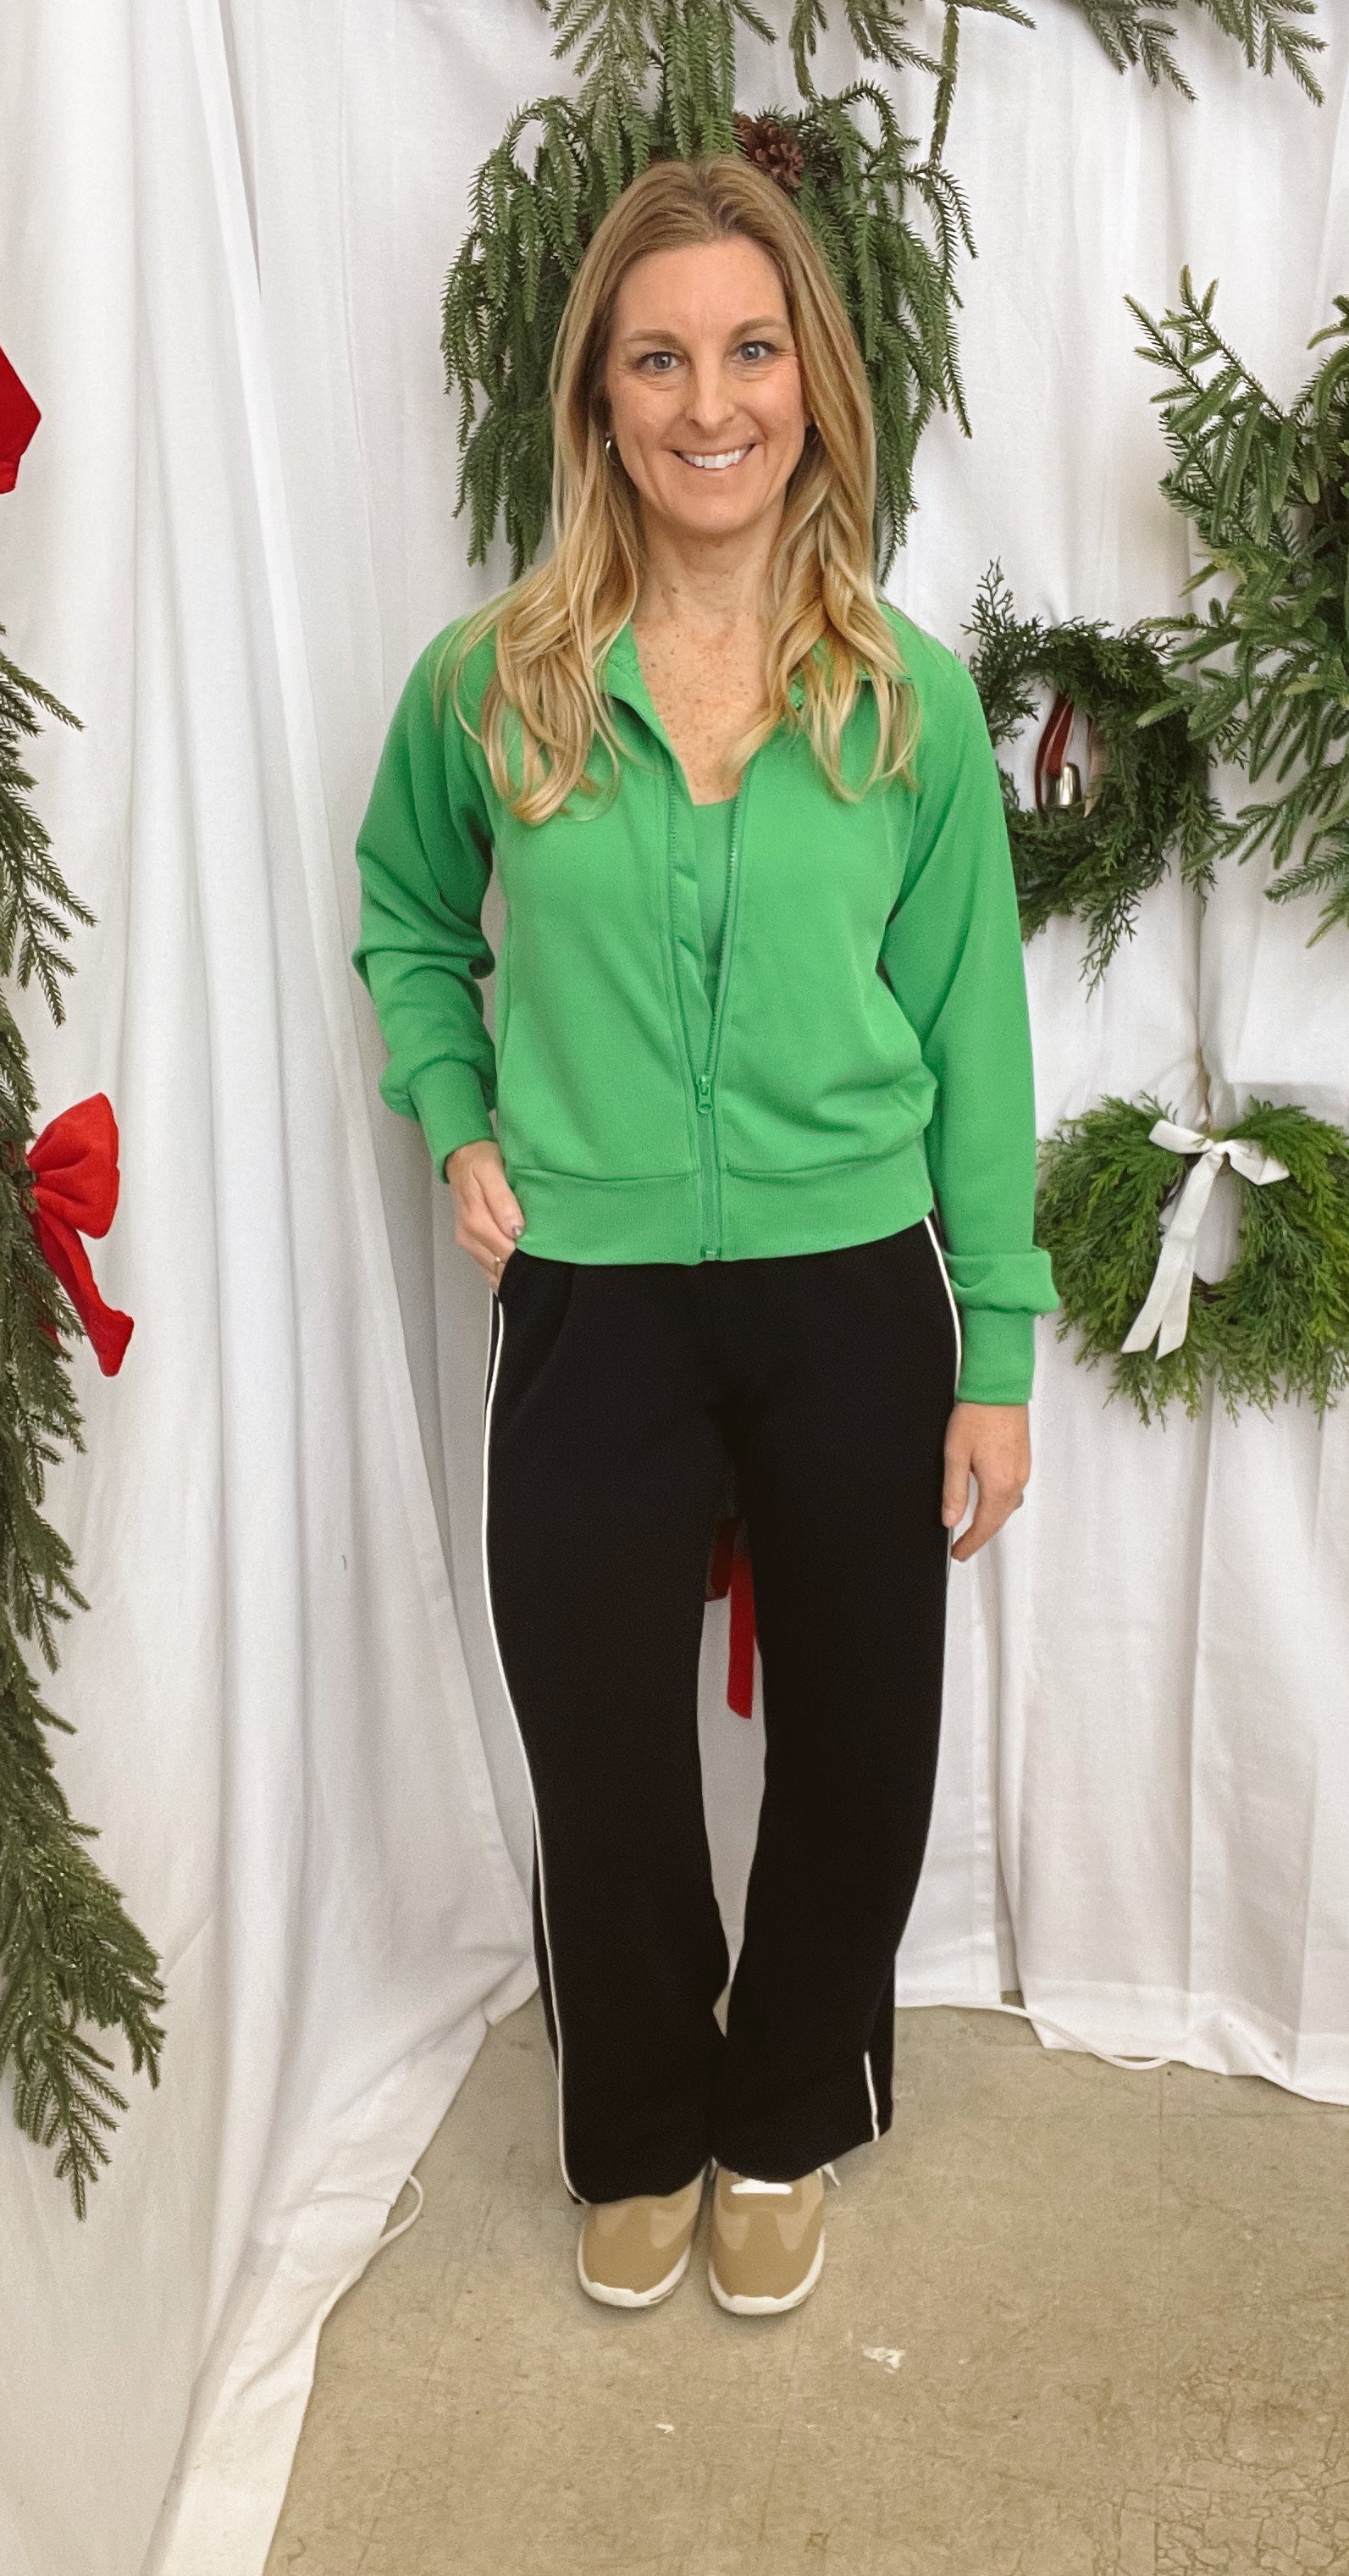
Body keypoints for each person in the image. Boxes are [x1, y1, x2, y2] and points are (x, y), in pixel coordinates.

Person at [354, 152, 1054, 2319]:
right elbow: (405, 919)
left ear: (811, 384)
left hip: (857, 1289)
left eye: (751, 350)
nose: (709, 400)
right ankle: (643, 2113)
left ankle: (788, 2104)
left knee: (862, 1728)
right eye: (658, 359)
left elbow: (977, 1030)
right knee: (600, 1737)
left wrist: (999, 1348)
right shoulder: (494, 683)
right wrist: (458, 1114)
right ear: (600, 397)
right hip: (593, 1294)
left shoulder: (908, 699)